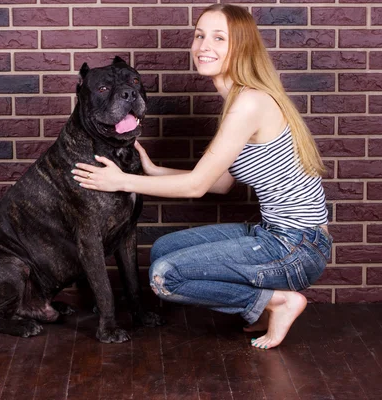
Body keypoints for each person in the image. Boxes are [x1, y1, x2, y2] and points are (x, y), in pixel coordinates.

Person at [71, 3, 331, 350]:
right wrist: (155, 170)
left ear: (241, 47)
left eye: (218, 38)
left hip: (297, 246)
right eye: (199, 35)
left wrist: (121, 181)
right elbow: (220, 183)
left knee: (166, 276)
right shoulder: (239, 100)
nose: (204, 46)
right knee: (164, 249)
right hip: (276, 235)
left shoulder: (249, 104)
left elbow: (197, 186)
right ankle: (271, 303)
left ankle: (276, 302)